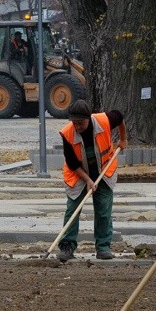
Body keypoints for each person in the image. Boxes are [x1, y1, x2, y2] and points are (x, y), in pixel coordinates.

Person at [56, 99, 127, 261]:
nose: (78, 127)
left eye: (81, 123)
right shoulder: (67, 133)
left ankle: (103, 247)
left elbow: (121, 117)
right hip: (79, 173)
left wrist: (123, 139)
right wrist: (88, 180)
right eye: (75, 123)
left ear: (89, 118)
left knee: (103, 209)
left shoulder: (104, 120)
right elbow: (73, 163)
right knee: (73, 209)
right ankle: (67, 246)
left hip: (103, 169)